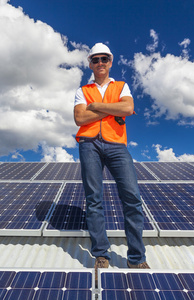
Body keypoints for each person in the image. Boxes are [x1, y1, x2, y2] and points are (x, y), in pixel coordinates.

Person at [73, 43, 149, 273]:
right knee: (93, 200)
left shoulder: (122, 86)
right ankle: (101, 254)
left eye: (104, 59)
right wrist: (111, 108)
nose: (100, 63)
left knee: (132, 198)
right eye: (95, 60)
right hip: (89, 145)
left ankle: (136, 257)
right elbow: (79, 118)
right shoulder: (82, 90)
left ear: (110, 61)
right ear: (90, 64)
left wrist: (96, 107)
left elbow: (128, 108)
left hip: (117, 144)